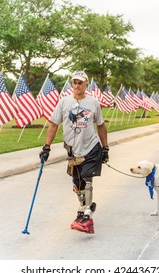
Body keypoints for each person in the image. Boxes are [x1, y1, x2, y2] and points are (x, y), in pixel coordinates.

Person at [39, 71, 109, 234]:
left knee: (87, 179)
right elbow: (53, 124)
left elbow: (101, 126)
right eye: (74, 82)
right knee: (78, 185)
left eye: (80, 83)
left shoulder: (93, 103)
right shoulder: (64, 102)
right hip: (72, 151)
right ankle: (83, 207)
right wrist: (46, 147)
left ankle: (87, 216)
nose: (76, 85)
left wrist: (105, 148)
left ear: (86, 85)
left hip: (91, 147)